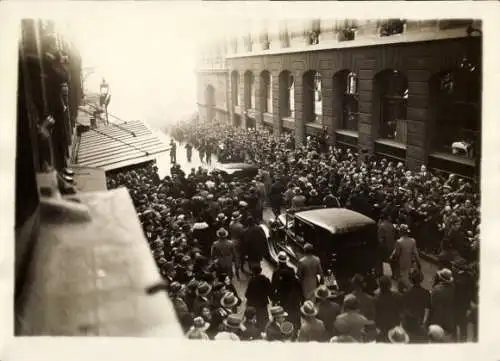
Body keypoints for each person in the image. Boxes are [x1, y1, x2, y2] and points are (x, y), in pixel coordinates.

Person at [374, 276, 403, 342]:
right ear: (390, 285)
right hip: (394, 329)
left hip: (381, 330)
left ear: (380, 286)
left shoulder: (375, 299)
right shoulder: (398, 296)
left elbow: (374, 316)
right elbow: (402, 313)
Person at [429, 268, 456, 339]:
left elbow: (432, 304)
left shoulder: (436, 289)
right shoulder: (452, 288)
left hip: (438, 318)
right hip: (449, 318)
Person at [245, 264, 273, 332]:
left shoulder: (251, 280)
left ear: (253, 272)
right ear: (261, 271)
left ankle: (255, 332)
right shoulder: (266, 279)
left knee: (254, 318)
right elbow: (270, 292)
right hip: (263, 303)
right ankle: (264, 331)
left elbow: (247, 294)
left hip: (253, 304)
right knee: (263, 318)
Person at [377, 212, 396, 277]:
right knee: (392, 261)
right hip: (392, 245)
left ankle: (380, 274)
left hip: (384, 246)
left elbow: (381, 239)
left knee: (380, 260)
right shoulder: (392, 225)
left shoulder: (381, 226)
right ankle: (394, 274)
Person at [229, 211, 246, 279]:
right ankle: (241, 268)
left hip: (232, 240)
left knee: (236, 257)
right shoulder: (240, 226)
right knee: (241, 256)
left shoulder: (231, 224)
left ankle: (237, 273)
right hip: (239, 242)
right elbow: (242, 235)